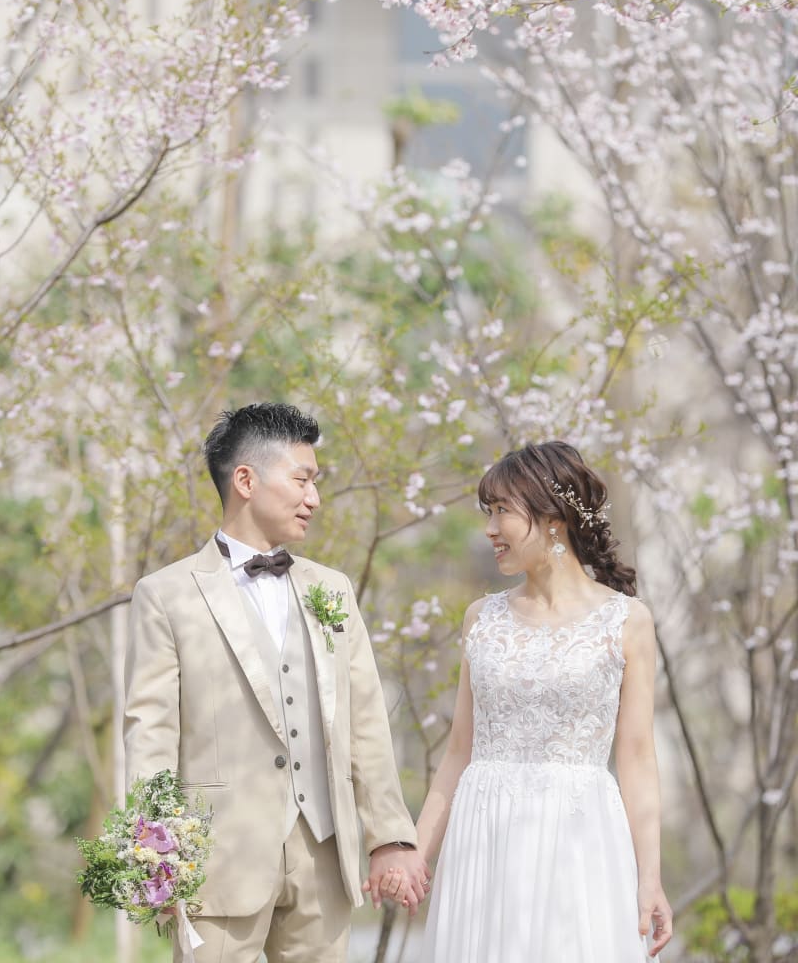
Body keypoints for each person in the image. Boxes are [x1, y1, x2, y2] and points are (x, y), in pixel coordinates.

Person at [123, 403, 430, 963]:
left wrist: (390, 836)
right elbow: (150, 732)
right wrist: (156, 856)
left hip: (323, 853)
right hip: (216, 859)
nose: (314, 498)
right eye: (302, 479)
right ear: (246, 480)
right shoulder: (165, 595)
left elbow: (364, 720)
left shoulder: (331, 590)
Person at [409, 441, 673, 962]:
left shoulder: (627, 621)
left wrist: (650, 878)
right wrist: (415, 854)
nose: (489, 529)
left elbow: (638, 759)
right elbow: (459, 753)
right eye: (488, 512)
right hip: (482, 840)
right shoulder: (480, 618)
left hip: (579, 841)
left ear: (553, 519)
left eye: (502, 511)